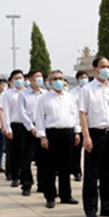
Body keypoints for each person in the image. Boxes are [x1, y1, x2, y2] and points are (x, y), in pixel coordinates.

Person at [79, 57, 109, 217]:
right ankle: (90, 208)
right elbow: (83, 114)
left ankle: (106, 206)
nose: (106, 70)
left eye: (108, 67)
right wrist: (86, 136)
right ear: (95, 69)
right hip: (95, 134)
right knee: (91, 173)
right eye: (103, 66)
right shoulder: (87, 90)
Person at [35, 70, 81, 208]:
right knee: (50, 167)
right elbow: (39, 118)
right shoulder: (44, 98)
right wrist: (42, 135)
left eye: (61, 78)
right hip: (52, 133)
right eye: (55, 78)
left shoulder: (70, 97)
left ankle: (65, 194)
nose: (59, 81)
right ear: (49, 82)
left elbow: (76, 116)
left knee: (66, 166)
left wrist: (77, 132)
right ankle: (50, 196)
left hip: (68, 132)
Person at [19, 70, 46, 193]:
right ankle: (26, 184)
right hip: (28, 129)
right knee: (26, 158)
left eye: (41, 77)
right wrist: (31, 127)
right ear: (30, 79)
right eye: (36, 77)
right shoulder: (23, 94)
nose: (39, 79)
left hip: (43, 129)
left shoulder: (45, 94)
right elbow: (22, 113)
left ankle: (42, 183)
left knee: (43, 159)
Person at [0, 70, 27, 190]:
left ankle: (24, 176)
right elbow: (5, 112)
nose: (19, 80)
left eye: (20, 77)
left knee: (25, 153)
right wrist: (6, 127)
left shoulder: (28, 93)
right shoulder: (7, 94)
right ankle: (15, 177)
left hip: (27, 126)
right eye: (16, 78)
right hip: (14, 125)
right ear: (11, 80)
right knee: (14, 153)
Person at [71, 70, 90, 182]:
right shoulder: (73, 93)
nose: (84, 79)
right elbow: (74, 112)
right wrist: (76, 129)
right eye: (82, 77)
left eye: (85, 77)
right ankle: (77, 171)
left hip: (90, 125)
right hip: (78, 124)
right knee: (77, 151)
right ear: (78, 80)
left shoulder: (91, 90)